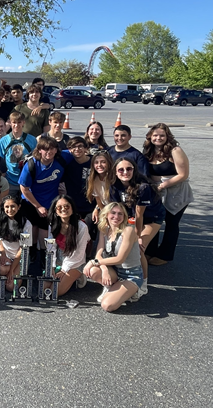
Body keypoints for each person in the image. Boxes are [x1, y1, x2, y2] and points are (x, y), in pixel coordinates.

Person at [111, 157, 165, 298]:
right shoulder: (115, 185)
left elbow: (140, 215)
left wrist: (137, 236)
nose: (125, 172)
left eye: (129, 169)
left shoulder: (143, 187)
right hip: (131, 217)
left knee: (138, 247)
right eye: (121, 169)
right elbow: (118, 208)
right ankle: (122, 277)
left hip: (151, 218)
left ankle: (143, 284)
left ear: (134, 170)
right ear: (115, 172)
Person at [142, 123, 192, 265]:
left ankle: (165, 255)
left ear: (167, 136)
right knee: (153, 221)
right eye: (155, 135)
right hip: (156, 192)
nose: (158, 138)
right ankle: (149, 251)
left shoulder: (175, 150)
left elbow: (183, 174)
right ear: (150, 136)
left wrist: (163, 185)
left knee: (171, 223)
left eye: (162, 135)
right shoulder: (149, 151)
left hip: (176, 192)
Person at [83, 202, 143, 311]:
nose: (116, 217)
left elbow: (120, 259)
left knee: (107, 306)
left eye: (120, 214)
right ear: (106, 214)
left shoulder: (128, 230)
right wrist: (104, 269)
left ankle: (132, 291)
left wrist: (93, 262)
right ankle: (111, 286)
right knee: (93, 271)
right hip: (114, 270)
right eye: (113, 213)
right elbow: (99, 254)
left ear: (124, 216)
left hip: (131, 275)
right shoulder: (104, 229)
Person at [19, 137, 73, 249]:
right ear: (39, 150)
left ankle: (44, 254)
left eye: (52, 149)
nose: (49, 152)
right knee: (32, 227)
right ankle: (32, 251)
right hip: (31, 200)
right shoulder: (31, 165)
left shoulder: (62, 158)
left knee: (45, 228)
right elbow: (24, 188)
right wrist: (38, 206)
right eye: (45, 149)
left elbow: (76, 151)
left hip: (50, 201)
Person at [45, 195, 90, 295]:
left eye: (67, 206)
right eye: (59, 207)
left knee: (54, 292)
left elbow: (79, 253)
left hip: (74, 262)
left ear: (72, 209)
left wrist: (64, 270)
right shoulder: (53, 224)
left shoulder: (81, 227)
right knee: (44, 288)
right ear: (55, 210)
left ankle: (78, 277)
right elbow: (51, 247)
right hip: (58, 259)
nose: (63, 209)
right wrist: (51, 266)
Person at [0, 195, 32, 292]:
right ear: (3, 207)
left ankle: (10, 275)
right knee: (1, 270)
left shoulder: (26, 224)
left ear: (19, 207)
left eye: (13, 206)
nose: (10, 209)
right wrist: (3, 254)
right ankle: (6, 275)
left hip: (19, 257)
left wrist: (11, 270)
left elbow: (23, 249)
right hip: (5, 253)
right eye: (7, 207)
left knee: (11, 288)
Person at [63, 137, 95, 244]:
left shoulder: (94, 162)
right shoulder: (68, 164)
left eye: (80, 146)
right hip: (73, 205)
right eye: (73, 147)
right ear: (70, 150)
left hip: (90, 205)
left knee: (87, 232)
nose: (77, 149)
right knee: (73, 232)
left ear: (86, 148)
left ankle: (87, 256)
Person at [0, 111, 37, 195]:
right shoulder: (3, 141)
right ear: (10, 123)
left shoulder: (32, 140)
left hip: (27, 180)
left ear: (23, 122)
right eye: (14, 122)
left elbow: (36, 160)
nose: (16, 125)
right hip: (9, 180)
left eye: (19, 122)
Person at [86, 151, 114, 224]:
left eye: (103, 162)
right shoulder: (92, 179)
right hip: (105, 209)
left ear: (109, 163)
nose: (99, 165)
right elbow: (98, 199)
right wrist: (103, 215)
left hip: (116, 210)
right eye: (96, 162)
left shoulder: (114, 178)